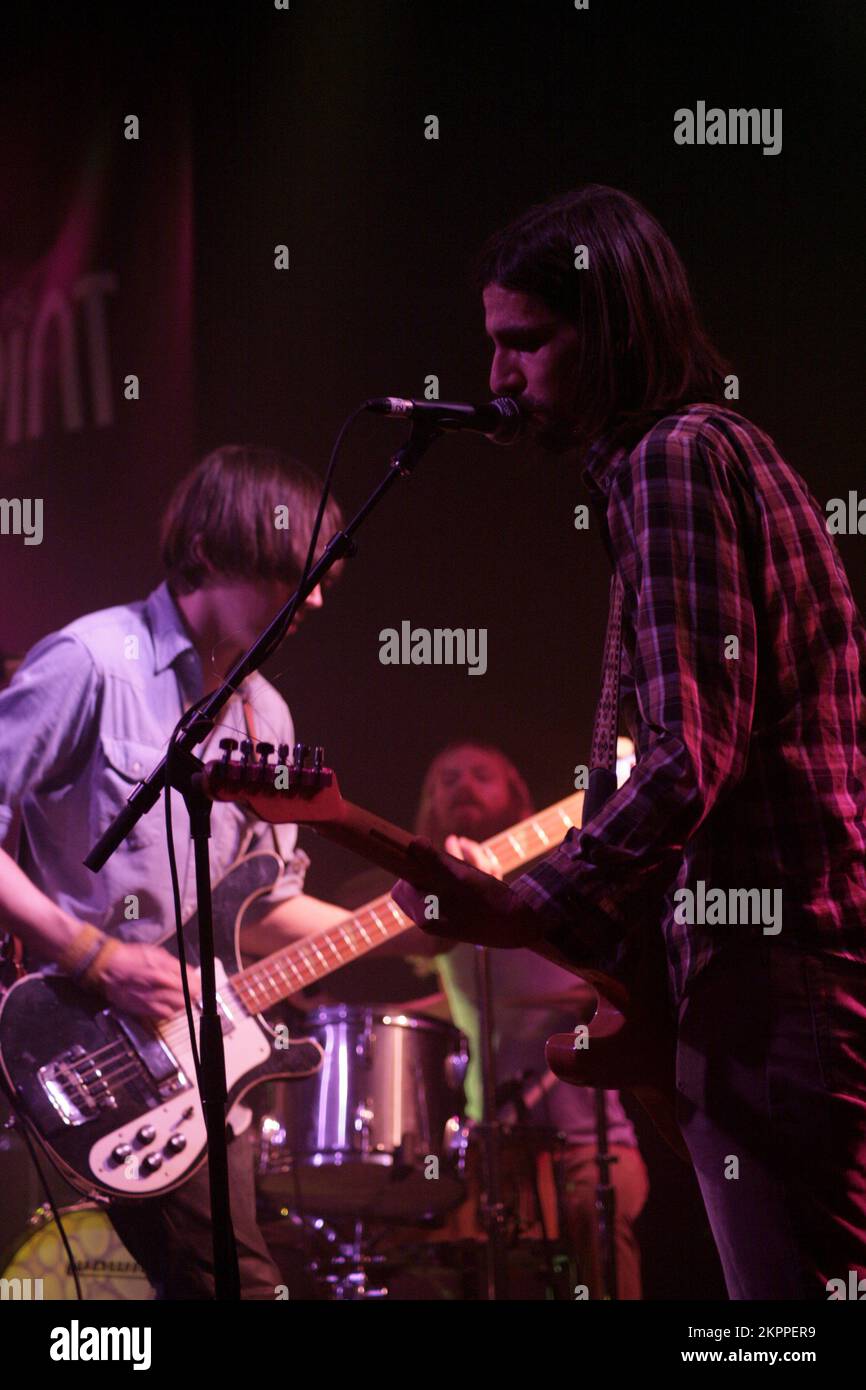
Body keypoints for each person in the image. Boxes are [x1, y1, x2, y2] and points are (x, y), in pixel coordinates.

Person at [393, 184, 866, 1300]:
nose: (496, 379)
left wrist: (540, 900)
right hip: (775, 969)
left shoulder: (673, 461)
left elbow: (687, 758)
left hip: (772, 976)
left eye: (525, 344)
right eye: (490, 346)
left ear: (609, 331)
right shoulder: (705, 459)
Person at [0, 443, 355, 1299]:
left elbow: (265, 908)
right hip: (81, 1046)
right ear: (208, 550)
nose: (312, 598)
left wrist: (414, 907)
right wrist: (95, 955)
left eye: (320, 579)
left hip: (192, 1062)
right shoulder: (89, 660)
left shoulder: (264, 712)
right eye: (291, 573)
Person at [414, 739, 649, 1298]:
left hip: (590, 1146)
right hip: (493, 1153)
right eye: (446, 778)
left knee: (592, 1233)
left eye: (480, 774)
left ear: (521, 802)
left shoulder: (566, 874)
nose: (462, 785)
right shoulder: (428, 901)